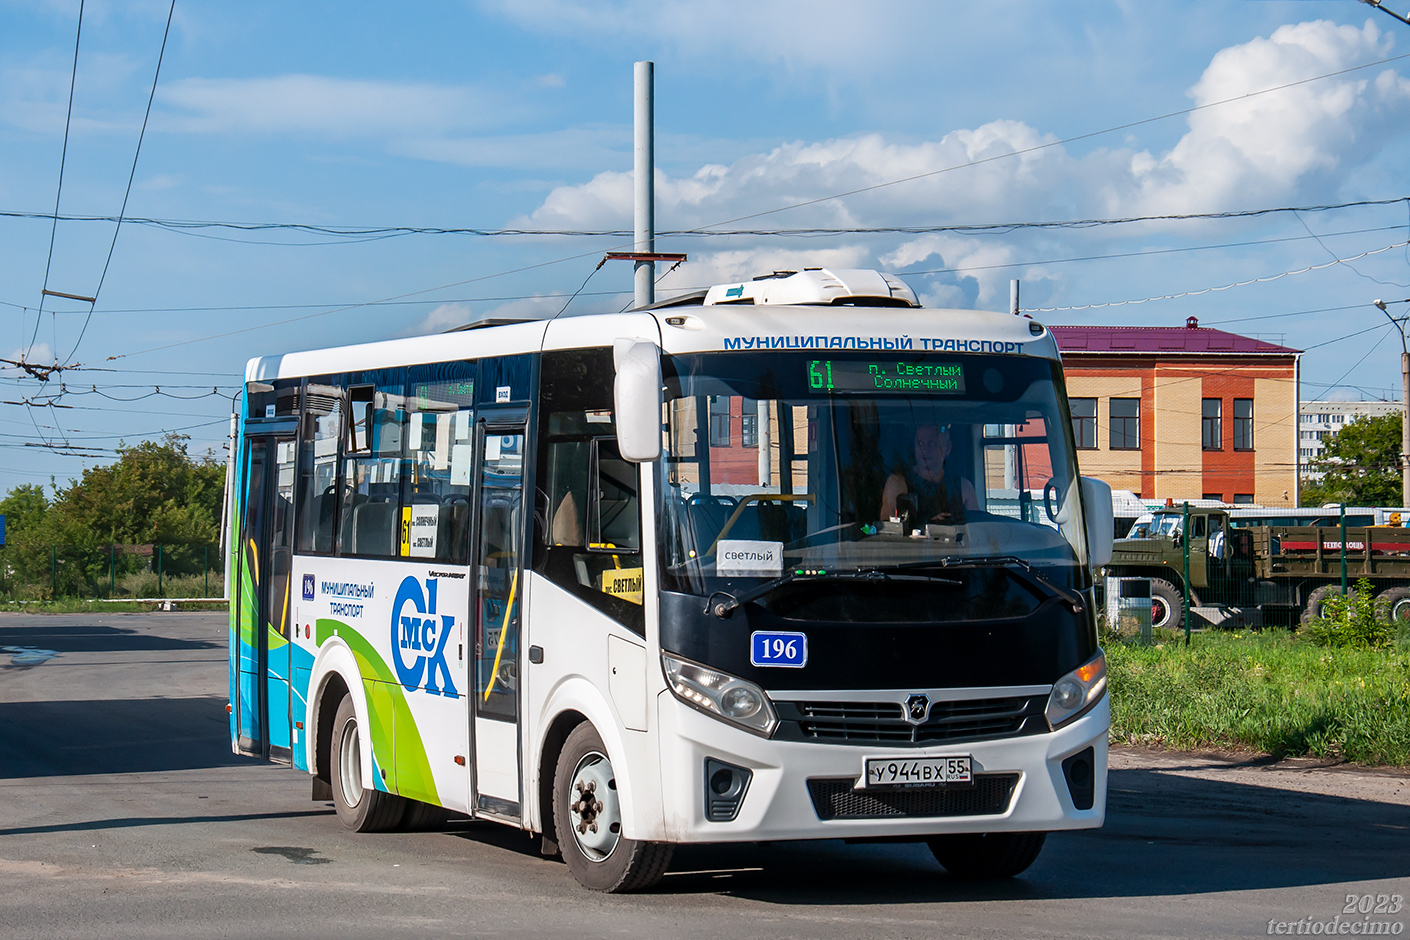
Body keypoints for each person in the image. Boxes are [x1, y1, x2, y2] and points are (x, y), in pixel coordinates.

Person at [880, 423, 978, 525]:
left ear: (947, 448)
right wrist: (930, 524)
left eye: (932, 444)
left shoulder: (963, 487)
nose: (925, 450)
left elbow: (977, 528)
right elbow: (888, 529)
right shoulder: (897, 483)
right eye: (920, 443)